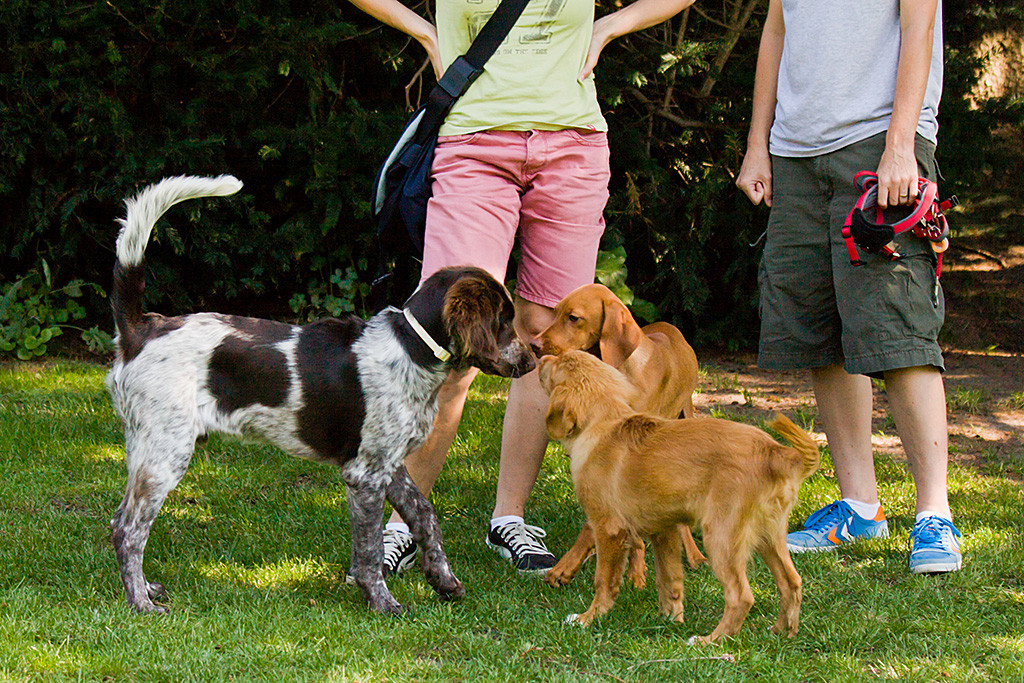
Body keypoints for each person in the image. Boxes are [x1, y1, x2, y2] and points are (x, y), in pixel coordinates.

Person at [348, 0, 697, 574]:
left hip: (574, 148)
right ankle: (401, 524)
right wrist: (425, 34)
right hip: (473, 142)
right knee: (448, 342)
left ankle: (509, 518)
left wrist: (611, 25)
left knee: (545, 339)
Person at [736, 0, 961, 574]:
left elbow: (919, 26)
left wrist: (901, 144)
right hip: (795, 152)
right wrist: (758, 141)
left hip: (877, 143)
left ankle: (935, 514)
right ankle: (860, 504)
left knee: (899, 329)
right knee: (821, 330)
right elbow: (777, 27)